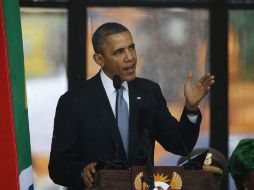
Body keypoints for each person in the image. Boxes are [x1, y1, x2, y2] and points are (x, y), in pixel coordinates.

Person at [48, 22, 215, 189]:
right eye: (119, 52)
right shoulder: (74, 102)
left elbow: (179, 144)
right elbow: (58, 167)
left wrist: (191, 108)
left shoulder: (149, 92)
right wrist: (82, 171)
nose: (130, 57)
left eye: (132, 48)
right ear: (99, 59)